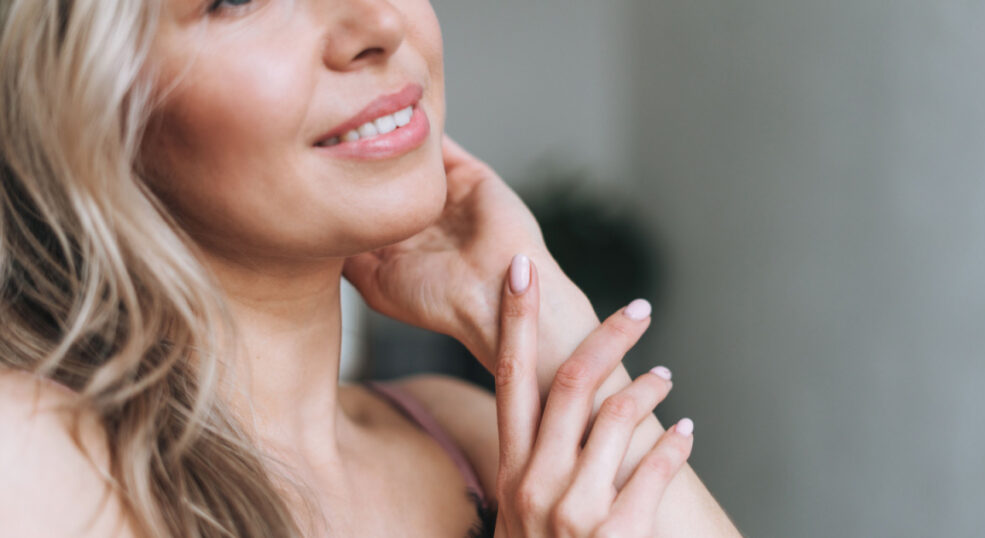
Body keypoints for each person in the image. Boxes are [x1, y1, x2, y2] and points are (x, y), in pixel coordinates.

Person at [0, 0, 742, 536]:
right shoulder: (31, 459)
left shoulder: (462, 437)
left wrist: (536, 308)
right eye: (238, 1)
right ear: (84, 103)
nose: (379, 24)